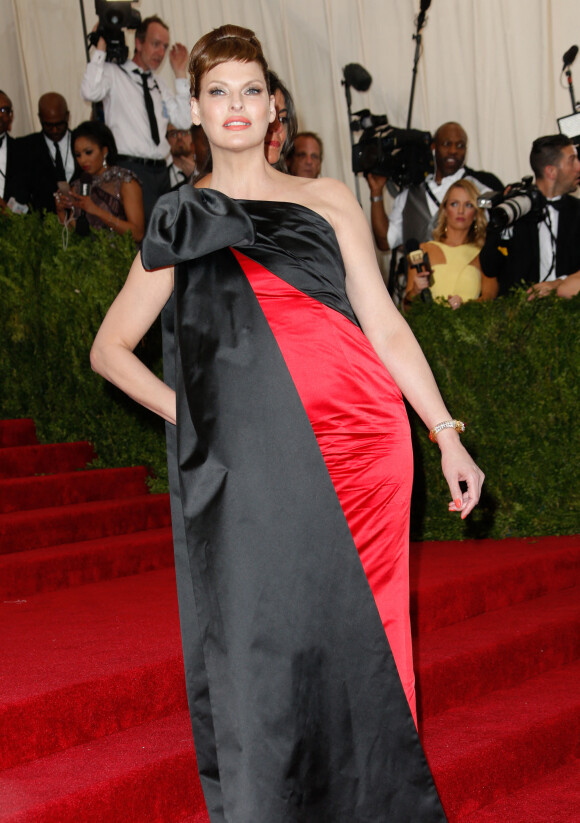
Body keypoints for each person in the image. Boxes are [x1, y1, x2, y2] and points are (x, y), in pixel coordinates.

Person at [91, 24, 484, 821]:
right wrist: (194, 414)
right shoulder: (178, 216)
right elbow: (109, 349)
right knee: (264, 640)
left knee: (368, 640)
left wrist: (445, 433)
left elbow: (386, 326)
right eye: (217, 91)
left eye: (250, 89)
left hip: (365, 446)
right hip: (257, 462)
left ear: (273, 105)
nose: (235, 105)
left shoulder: (327, 197)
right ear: (195, 109)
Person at [80, 14, 190, 220]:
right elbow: (89, 92)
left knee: (167, 236)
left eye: (165, 47)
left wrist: (180, 74)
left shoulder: (158, 84)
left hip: (161, 172)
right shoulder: (114, 73)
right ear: (138, 43)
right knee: (143, 240)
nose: (161, 52)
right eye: (155, 44)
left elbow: (184, 121)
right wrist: (100, 49)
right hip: (131, 170)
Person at [367, 121, 503, 251]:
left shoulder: (480, 190)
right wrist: (376, 192)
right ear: (434, 147)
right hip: (418, 274)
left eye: (460, 145)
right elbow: (385, 241)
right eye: (447, 144)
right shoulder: (410, 196)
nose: (453, 150)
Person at [480, 134, 580, 296]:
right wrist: (502, 229)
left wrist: (559, 284)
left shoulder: (577, 212)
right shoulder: (514, 210)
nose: (578, 167)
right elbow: (489, 268)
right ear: (551, 171)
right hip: (520, 314)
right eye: (572, 161)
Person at [405, 178, 498, 309]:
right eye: (454, 204)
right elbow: (407, 307)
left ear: (476, 213)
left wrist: (465, 306)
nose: (461, 211)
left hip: (469, 327)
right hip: (427, 327)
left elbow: (489, 299)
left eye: (468, 205)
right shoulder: (423, 250)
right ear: (444, 210)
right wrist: (415, 291)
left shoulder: (484, 254)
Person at [55, 121, 144, 243]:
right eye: (78, 155)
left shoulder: (125, 181)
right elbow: (73, 236)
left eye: (88, 152)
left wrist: (96, 211)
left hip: (122, 257)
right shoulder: (77, 187)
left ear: (105, 151)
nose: (83, 160)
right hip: (88, 258)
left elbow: (138, 234)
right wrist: (61, 212)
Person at [17, 92, 77, 213]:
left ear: (67, 116)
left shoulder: (82, 142)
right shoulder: (25, 147)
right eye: (48, 125)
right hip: (43, 225)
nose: (54, 130)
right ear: (40, 118)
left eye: (59, 124)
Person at [0, 90, 28, 212]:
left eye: (4, 110)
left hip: (14, 226)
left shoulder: (24, 151)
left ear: (11, 116)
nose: (0, 115)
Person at [264, 70, 297, 170]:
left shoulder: (294, 185)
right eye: (269, 115)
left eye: (283, 119)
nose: (278, 128)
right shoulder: (216, 183)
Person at [166, 123, 197, 187]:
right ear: (167, 140)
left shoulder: (208, 169)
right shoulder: (162, 177)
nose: (179, 137)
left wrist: (196, 174)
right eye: (173, 134)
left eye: (184, 133)